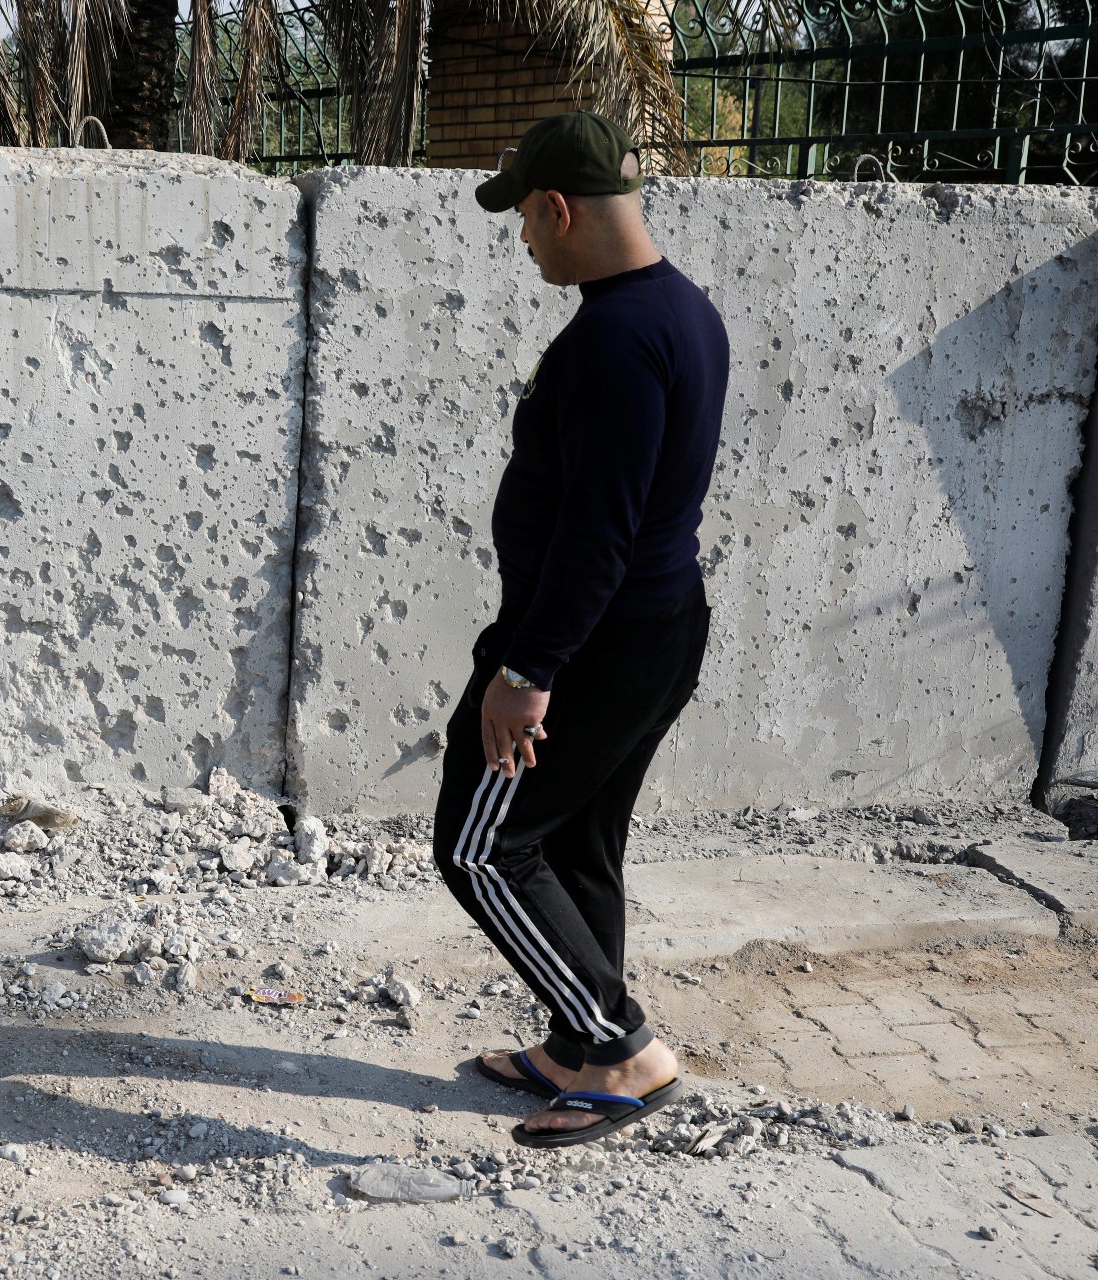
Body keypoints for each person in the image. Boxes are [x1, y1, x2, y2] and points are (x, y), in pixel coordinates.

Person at [432, 110, 730, 1148]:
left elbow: (597, 533)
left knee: (482, 846)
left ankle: (622, 1049)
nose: (521, 239)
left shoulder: (612, 337)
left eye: (523, 217)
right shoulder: (682, 311)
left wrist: (527, 669)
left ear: (559, 207)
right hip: (655, 628)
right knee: (576, 841)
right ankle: (574, 1042)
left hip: (592, 641)